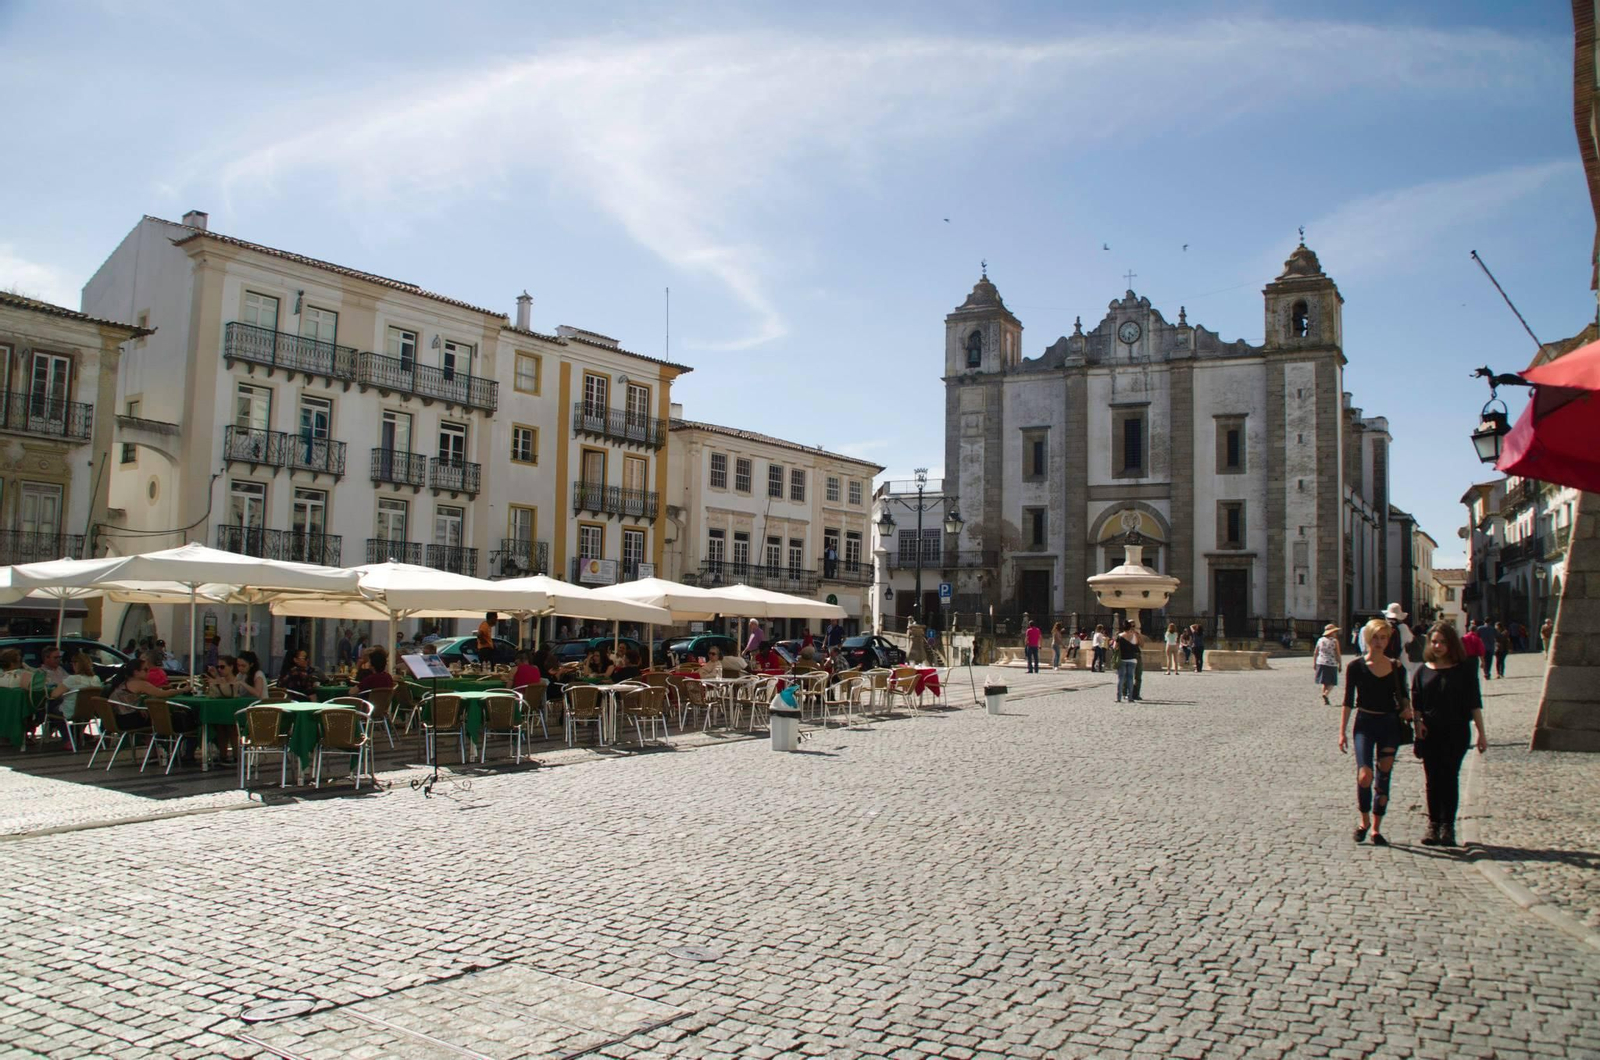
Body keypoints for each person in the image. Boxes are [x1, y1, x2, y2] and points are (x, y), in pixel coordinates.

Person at [1338, 618, 1415, 847]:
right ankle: (1364, 822)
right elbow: (1348, 701)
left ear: (1388, 640)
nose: (1379, 642)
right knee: (1364, 775)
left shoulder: (1396, 667)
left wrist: (1407, 708)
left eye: (1383, 638)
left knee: (1384, 774)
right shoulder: (1356, 667)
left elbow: (1404, 695)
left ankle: (1376, 828)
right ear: (1367, 639)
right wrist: (1342, 732)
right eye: (1375, 638)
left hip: (1389, 724)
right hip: (1365, 723)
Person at [1412, 622, 1487, 848]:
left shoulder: (1463, 670)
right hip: (1430, 733)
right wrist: (1417, 725)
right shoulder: (1422, 671)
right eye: (1434, 642)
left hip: (1456, 732)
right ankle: (1433, 824)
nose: (1437, 646)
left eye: (1442, 642)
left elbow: (1474, 703)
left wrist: (1481, 733)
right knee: (1432, 779)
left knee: (1449, 777)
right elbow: (1416, 704)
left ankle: (1448, 826)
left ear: (1451, 644)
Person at [1313, 624, 1341, 705]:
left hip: (1321, 662)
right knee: (1332, 682)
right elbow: (1338, 653)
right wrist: (1340, 664)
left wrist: (1314, 663)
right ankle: (1326, 694)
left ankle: (1325, 699)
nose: (1335, 633)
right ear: (1331, 632)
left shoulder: (1320, 640)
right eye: (1334, 632)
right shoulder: (1334, 641)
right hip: (1331, 663)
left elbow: (1315, 652)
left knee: (1324, 682)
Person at [1114, 621, 1141, 703]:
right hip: (1132, 659)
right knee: (1130, 678)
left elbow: (1115, 647)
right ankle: (1130, 697)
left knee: (1121, 678)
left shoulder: (1120, 636)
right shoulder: (1134, 636)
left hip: (1122, 659)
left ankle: (1118, 697)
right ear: (1130, 628)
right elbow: (1137, 644)